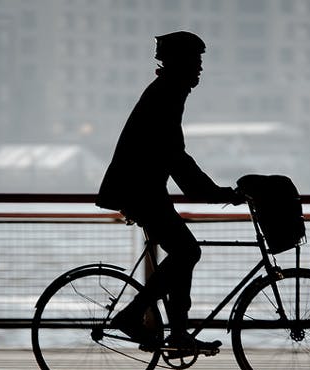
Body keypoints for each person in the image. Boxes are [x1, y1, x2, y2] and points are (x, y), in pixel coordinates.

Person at [96, 31, 242, 352]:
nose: (200, 68)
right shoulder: (166, 94)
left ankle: (176, 332)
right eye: (196, 61)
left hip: (144, 189)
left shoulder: (167, 91)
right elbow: (175, 156)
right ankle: (136, 317)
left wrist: (212, 192)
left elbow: (174, 156)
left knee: (184, 253)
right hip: (140, 190)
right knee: (187, 252)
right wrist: (218, 193)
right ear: (180, 62)